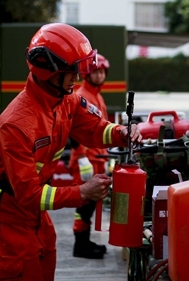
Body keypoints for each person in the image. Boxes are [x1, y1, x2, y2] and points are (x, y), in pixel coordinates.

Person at [0, 23, 141, 281]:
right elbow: (28, 194)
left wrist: (121, 132)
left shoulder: (65, 101)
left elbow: (94, 128)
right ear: (51, 72)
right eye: (72, 70)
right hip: (10, 224)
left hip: (37, 220)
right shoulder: (16, 124)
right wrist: (82, 192)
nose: (78, 76)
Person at [67, 53, 112, 259]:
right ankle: (80, 244)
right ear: (88, 74)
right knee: (83, 204)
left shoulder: (98, 96)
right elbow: (74, 130)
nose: (100, 75)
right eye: (96, 72)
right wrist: (82, 157)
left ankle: (85, 241)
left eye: (103, 72)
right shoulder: (82, 95)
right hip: (85, 161)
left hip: (97, 159)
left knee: (91, 204)